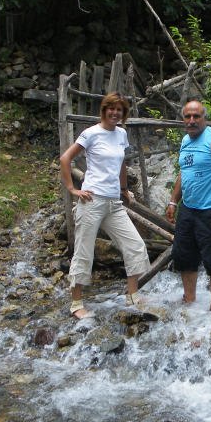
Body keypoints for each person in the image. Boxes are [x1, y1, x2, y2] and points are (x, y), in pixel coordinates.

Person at [59, 92, 151, 319]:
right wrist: (72, 189)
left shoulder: (121, 134)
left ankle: (132, 295)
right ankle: (76, 304)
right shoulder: (91, 133)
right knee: (84, 251)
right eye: (111, 108)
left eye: (119, 110)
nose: (115, 113)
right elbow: (65, 159)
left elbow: (121, 163)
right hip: (92, 201)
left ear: (123, 113)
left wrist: (124, 189)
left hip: (114, 203)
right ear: (104, 110)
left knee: (135, 245)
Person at [164, 100, 211, 311]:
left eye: (196, 116)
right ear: (183, 119)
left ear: (204, 118)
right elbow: (183, 172)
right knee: (184, 255)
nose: (192, 120)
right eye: (188, 116)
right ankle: (190, 299)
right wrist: (172, 201)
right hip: (189, 208)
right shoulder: (186, 140)